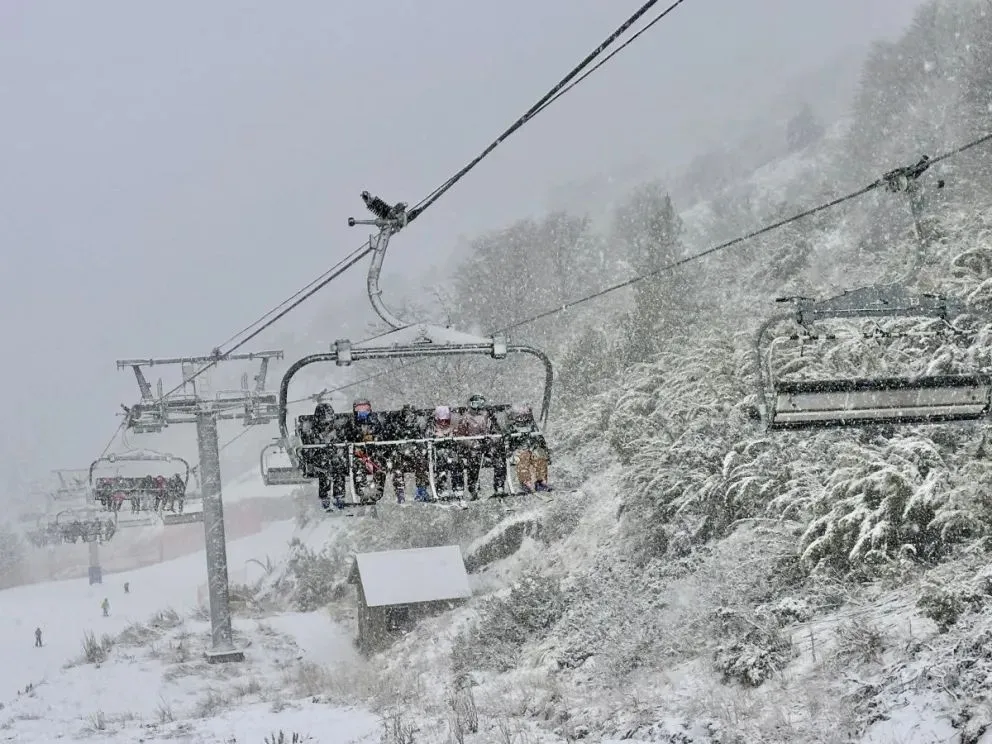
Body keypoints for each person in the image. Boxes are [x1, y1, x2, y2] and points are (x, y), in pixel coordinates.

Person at [455, 393, 507, 500]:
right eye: (475, 404)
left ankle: (499, 485)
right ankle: (473, 487)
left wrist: (491, 440)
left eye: (480, 404)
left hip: (487, 445)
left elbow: (497, 432)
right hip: (472, 447)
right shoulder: (465, 418)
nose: (478, 408)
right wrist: (472, 444)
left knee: (499, 459)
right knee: (474, 460)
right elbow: (460, 437)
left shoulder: (488, 417)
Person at [384, 404, 429, 503]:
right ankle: (400, 491)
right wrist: (397, 449)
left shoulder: (416, 426)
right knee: (397, 464)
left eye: (411, 416)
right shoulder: (397, 426)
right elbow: (393, 442)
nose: (409, 418)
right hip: (401, 453)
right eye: (407, 415)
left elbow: (420, 440)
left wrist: (419, 449)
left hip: (413, 452)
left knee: (421, 461)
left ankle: (422, 489)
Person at [347, 399, 388, 503]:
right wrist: (357, 441)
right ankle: (362, 491)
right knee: (358, 466)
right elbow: (347, 437)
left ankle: (377, 491)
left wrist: (374, 439)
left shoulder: (374, 422)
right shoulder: (352, 424)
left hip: (373, 453)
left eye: (365, 409)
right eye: (359, 410)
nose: (362, 412)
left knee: (380, 465)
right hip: (358, 454)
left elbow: (381, 436)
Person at [311, 402, 348, 511]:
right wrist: (323, 439)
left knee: (338, 469)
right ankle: (325, 497)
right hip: (321, 455)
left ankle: (339, 495)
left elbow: (342, 438)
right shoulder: (315, 429)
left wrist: (338, 447)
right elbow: (314, 442)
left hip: (335, 454)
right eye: (325, 417)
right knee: (324, 471)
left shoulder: (336, 427)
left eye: (329, 416)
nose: (327, 420)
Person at [506, 404, 551, 492]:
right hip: (518, 450)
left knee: (539, 456)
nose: (523, 419)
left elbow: (540, 438)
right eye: (520, 416)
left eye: (525, 416)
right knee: (523, 457)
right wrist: (509, 449)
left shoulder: (532, 426)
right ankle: (525, 481)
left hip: (532, 448)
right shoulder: (511, 427)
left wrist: (544, 449)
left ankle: (541, 481)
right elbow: (508, 441)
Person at [429, 405, 464, 498]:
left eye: (446, 420)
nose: (444, 423)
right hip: (438, 452)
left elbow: (458, 439)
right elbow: (428, 440)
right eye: (441, 420)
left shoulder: (452, 427)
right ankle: (441, 488)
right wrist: (436, 438)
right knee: (440, 466)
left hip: (451, 451)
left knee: (456, 464)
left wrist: (453, 438)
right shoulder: (432, 428)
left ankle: (458, 487)